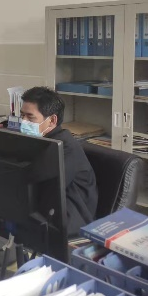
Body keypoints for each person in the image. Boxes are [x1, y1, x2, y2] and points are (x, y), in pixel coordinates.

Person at [19, 86, 98, 235]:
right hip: (47, 213)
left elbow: (35, 181)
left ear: (52, 120)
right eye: (22, 115)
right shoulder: (43, 141)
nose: (23, 121)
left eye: (30, 117)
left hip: (71, 223)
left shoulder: (64, 148)